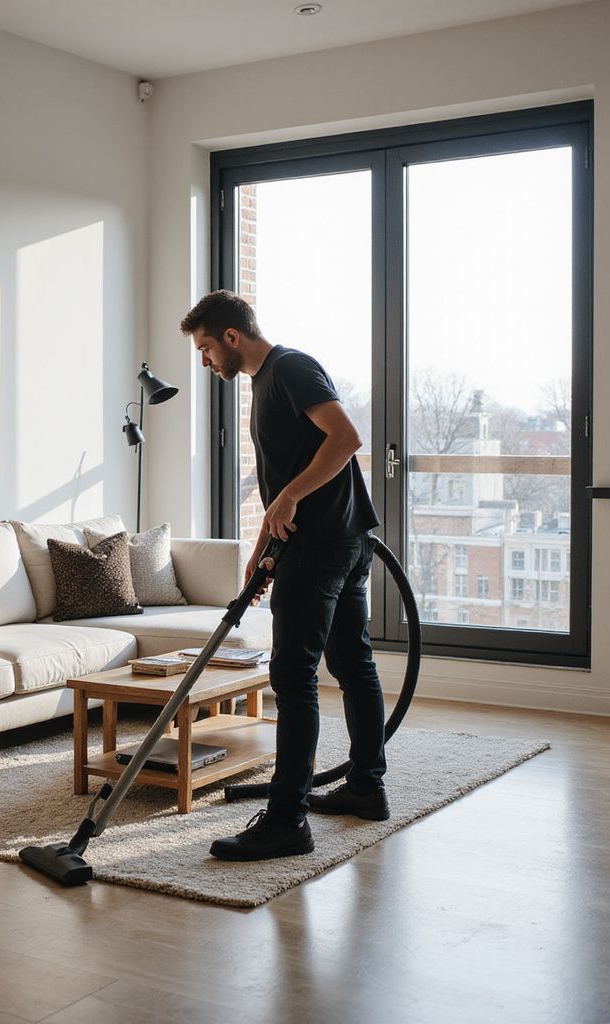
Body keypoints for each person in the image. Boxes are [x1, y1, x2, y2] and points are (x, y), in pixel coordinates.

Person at [180, 290, 388, 862]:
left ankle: (286, 820)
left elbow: (345, 439)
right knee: (352, 663)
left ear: (230, 337)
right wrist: (264, 547)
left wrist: (290, 499)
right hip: (335, 541)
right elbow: (286, 477)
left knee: (293, 680)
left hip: (323, 547)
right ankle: (367, 788)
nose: (203, 362)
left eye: (204, 349)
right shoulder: (264, 382)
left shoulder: (290, 367)